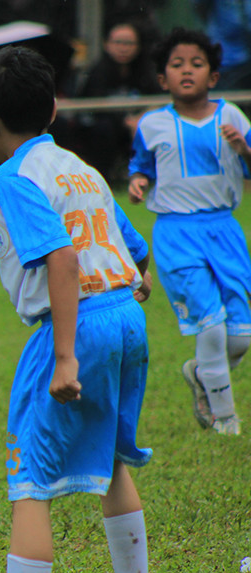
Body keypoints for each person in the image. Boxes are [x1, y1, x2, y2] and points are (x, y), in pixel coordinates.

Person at [0, 46, 167, 573]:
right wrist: (133, 284)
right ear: (53, 109)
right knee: (110, 460)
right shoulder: (79, 167)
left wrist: (63, 358)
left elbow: (61, 257)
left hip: (74, 326)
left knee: (29, 481)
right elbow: (133, 247)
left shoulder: (12, 177)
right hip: (124, 315)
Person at [128, 27, 251, 436]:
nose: (186, 70)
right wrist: (138, 182)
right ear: (162, 78)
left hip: (224, 231)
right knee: (211, 326)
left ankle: (201, 373)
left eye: (196, 64)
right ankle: (225, 419)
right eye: (177, 64)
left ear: (213, 76)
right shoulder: (152, 124)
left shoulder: (233, 117)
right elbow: (141, 166)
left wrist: (244, 150)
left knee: (240, 338)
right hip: (177, 233)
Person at [76, 21, 160, 185]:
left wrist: (141, 118)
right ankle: (104, 179)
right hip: (105, 128)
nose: (123, 48)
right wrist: (126, 121)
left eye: (129, 43)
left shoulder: (146, 70)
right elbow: (93, 107)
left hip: (137, 125)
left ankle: (148, 176)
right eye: (118, 42)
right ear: (106, 44)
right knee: (103, 129)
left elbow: (158, 99)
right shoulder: (98, 71)